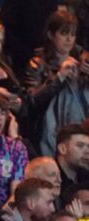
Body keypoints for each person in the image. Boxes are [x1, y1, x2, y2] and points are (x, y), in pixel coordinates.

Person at [24, 10, 89, 157]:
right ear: (50, 35)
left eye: (72, 35)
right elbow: (33, 100)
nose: (69, 40)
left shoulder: (84, 61)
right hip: (51, 132)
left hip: (83, 128)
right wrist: (59, 77)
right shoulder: (38, 63)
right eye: (64, 34)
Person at [55, 124, 89, 194]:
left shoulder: (86, 178)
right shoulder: (50, 178)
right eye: (80, 145)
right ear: (62, 149)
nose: (87, 151)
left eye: (88, 147)